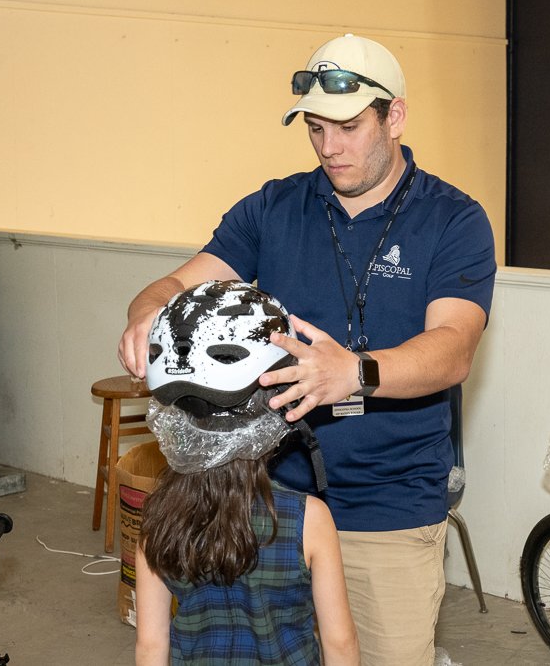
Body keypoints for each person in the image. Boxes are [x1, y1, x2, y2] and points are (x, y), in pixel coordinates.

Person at [119, 33, 496, 665]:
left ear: (394, 116)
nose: (329, 147)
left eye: (347, 127)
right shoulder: (274, 207)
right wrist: (143, 313)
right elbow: (183, 281)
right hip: (269, 504)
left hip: (391, 505)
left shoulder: (453, 220)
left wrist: (354, 372)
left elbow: (453, 348)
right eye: (315, 128)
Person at [134, 280, 359, 665]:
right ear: (274, 415)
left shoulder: (157, 518)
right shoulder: (308, 520)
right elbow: (339, 644)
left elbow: (152, 647)